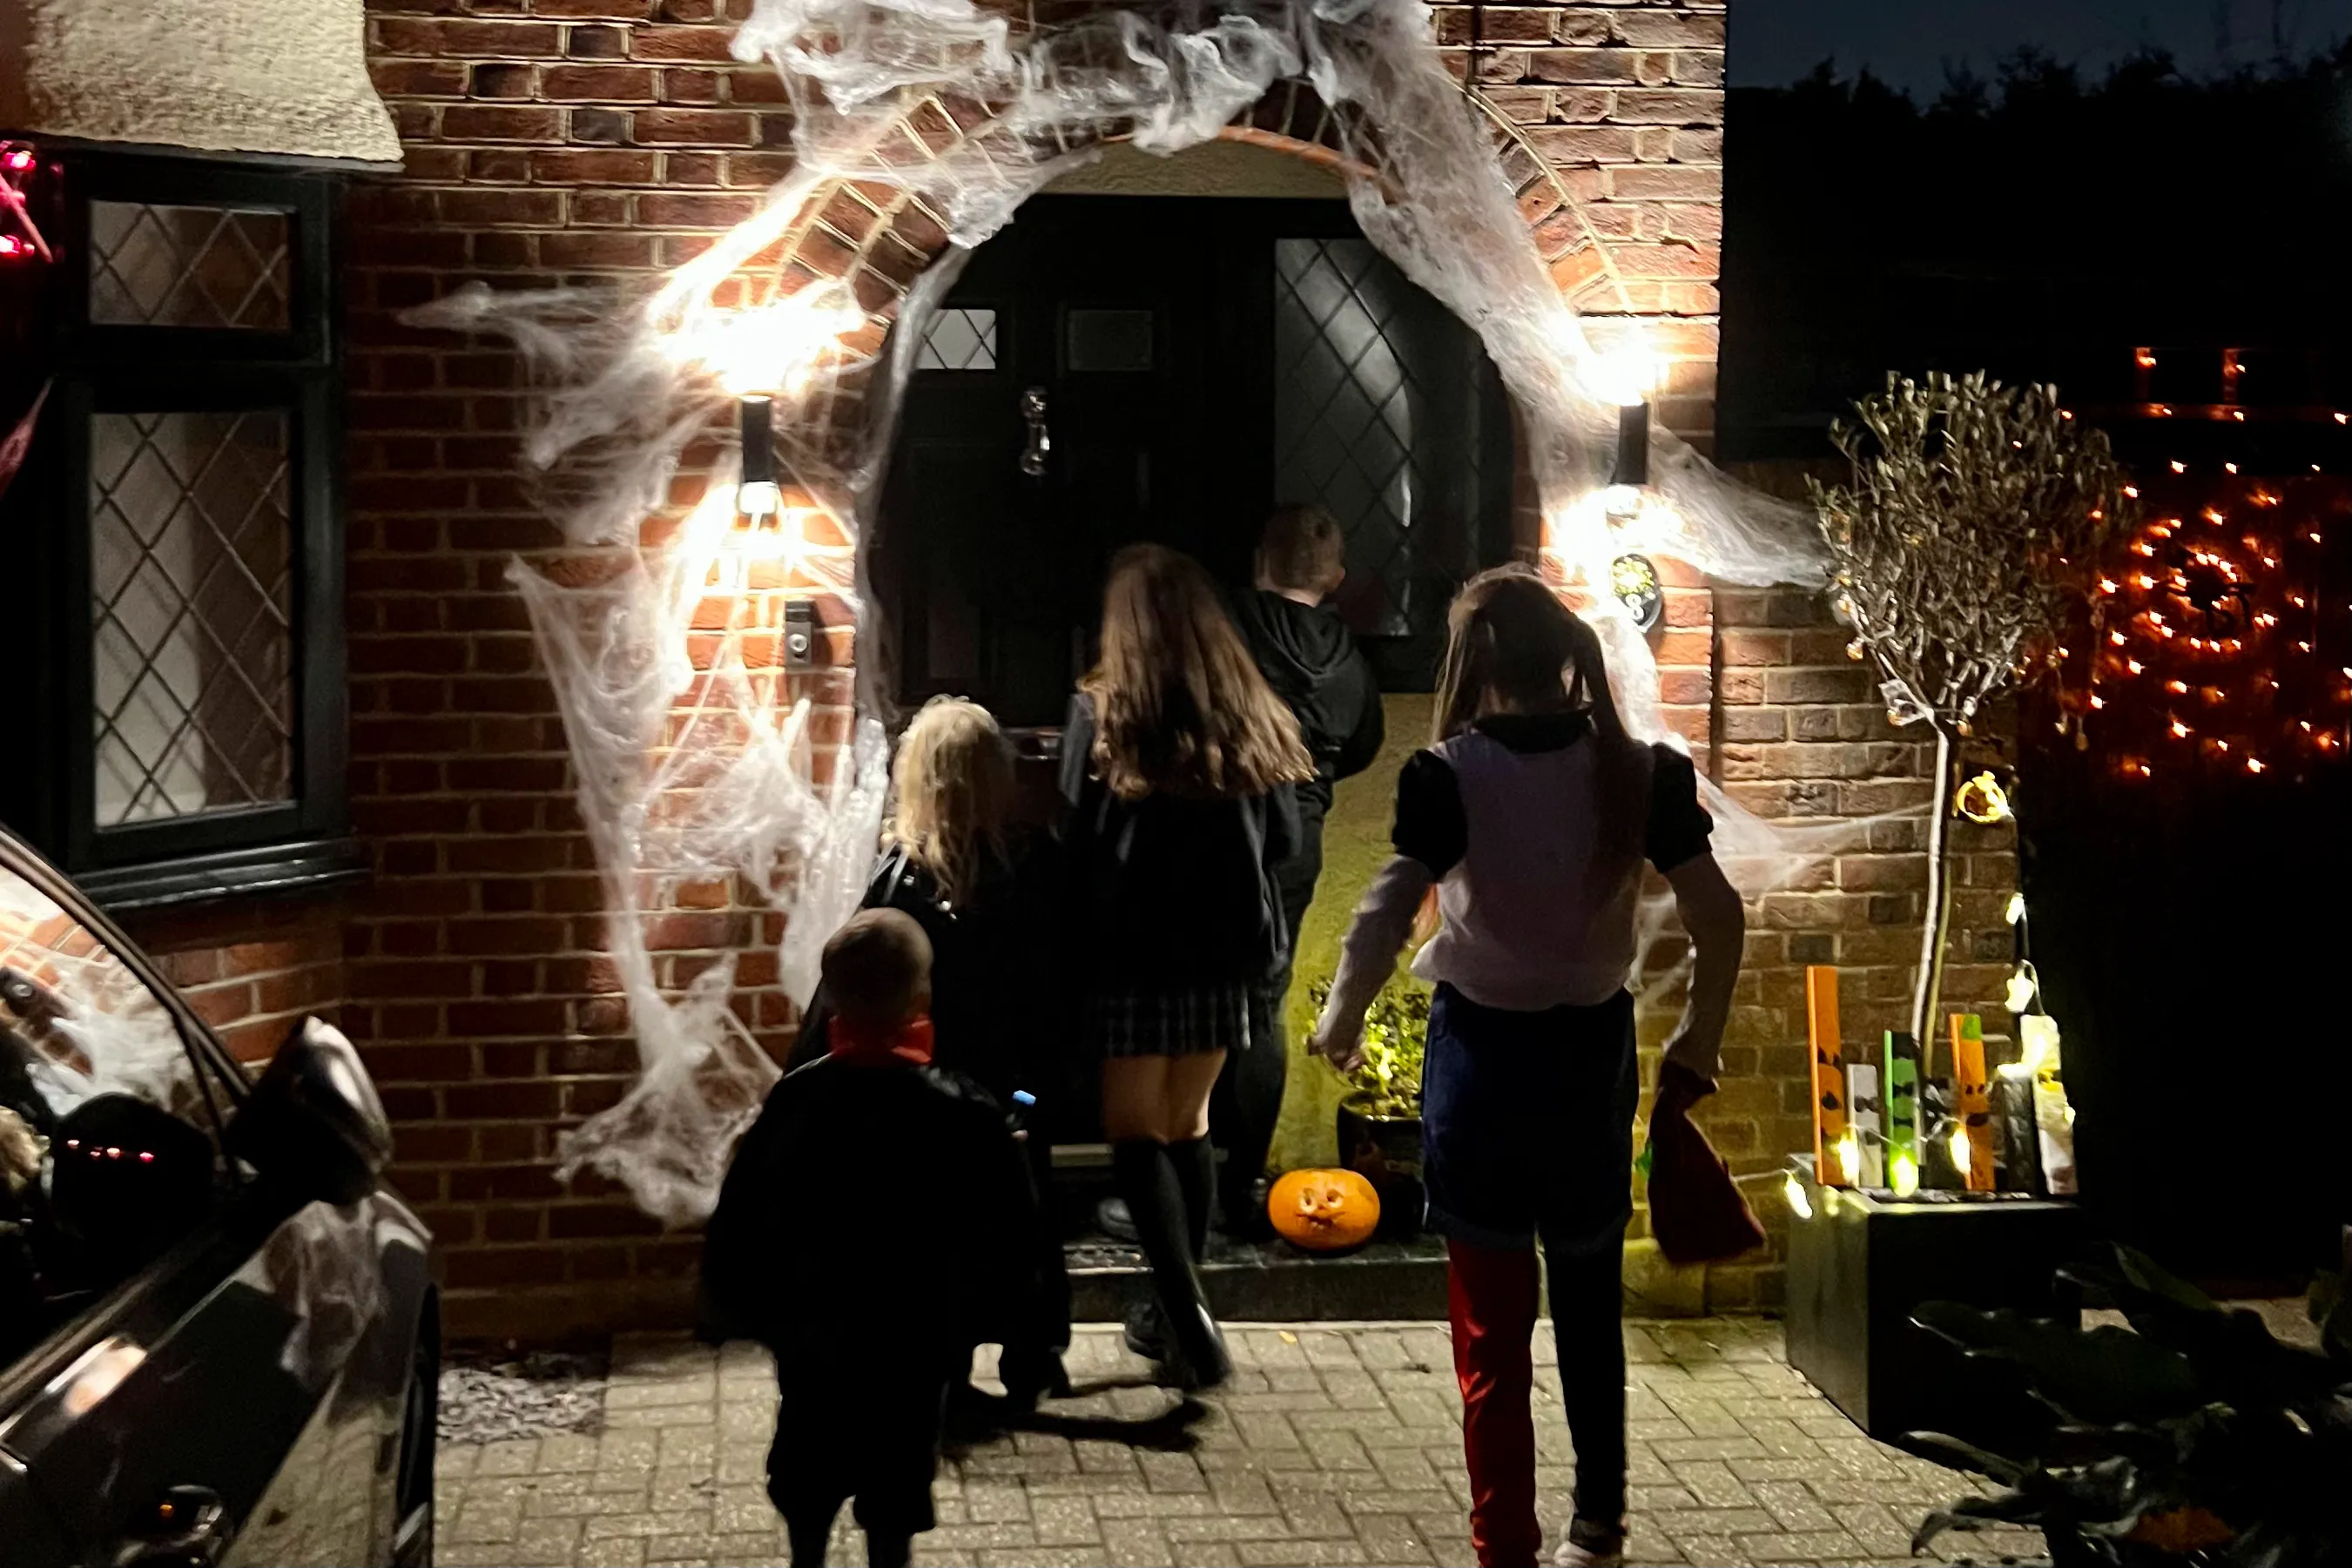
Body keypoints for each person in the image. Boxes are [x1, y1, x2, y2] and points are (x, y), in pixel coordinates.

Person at [1310, 566, 1746, 1568]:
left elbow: (1383, 909)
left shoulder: (1448, 774)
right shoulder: (1643, 772)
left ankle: (1502, 1537)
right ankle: (1599, 1525)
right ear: (1565, 661)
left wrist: (1343, 1015)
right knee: (1590, 1309)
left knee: (1490, 1330)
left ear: (1473, 665)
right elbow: (1717, 913)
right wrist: (1700, 1036)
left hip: (1482, 1064)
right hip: (1591, 1058)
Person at [702, 909, 1039, 1568]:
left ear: (831, 997)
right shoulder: (964, 1110)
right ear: (923, 995)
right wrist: (1003, 1315)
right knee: (898, 1468)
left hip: (814, 1326)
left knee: (808, 1454)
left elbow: (744, 1209)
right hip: (916, 1334)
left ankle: (807, 1555)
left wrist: (732, 1305)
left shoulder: (798, 1100)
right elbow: (1007, 1229)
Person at [1061, 543, 1312, 1390]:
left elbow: (1076, 832)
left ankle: (1189, 1319)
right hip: (1228, 946)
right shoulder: (1248, 711)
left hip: (1135, 949)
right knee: (1189, 1122)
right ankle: (1176, 1311)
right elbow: (1284, 839)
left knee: (1134, 1130)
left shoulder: (1102, 710)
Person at [784, 696, 1072, 1408]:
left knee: (936, 1228)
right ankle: (1032, 1354)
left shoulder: (900, 878)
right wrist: (1037, 1094)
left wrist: (810, 1083)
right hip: (1013, 1089)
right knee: (1025, 1215)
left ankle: (946, 1360)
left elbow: (847, 990)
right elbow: (1062, 992)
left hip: (925, 1091)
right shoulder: (1040, 867)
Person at [1213, 502, 1384, 1235]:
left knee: (1199, 999)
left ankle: (1196, 1173)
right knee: (1263, 1001)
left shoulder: (1229, 628)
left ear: (1259, 562)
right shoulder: (1348, 653)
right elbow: (1367, 740)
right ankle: (1243, 1177)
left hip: (1223, 828)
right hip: (1298, 840)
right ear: (1337, 578)